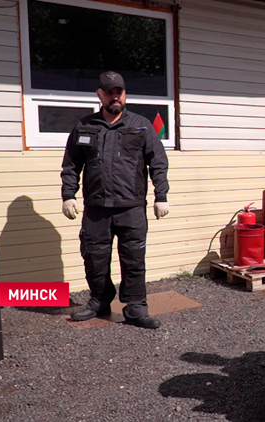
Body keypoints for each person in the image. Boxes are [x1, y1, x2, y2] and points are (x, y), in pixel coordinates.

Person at [61, 71, 170, 329]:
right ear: (99, 94)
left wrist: (161, 195)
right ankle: (99, 300)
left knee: (133, 259)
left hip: (131, 208)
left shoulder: (141, 125)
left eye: (119, 91)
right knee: (94, 259)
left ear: (124, 93)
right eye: (109, 91)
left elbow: (158, 163)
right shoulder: (85, 126)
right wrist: (68, 195)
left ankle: (135, 308)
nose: (115, 96)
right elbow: (71, 165)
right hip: (96, 209)